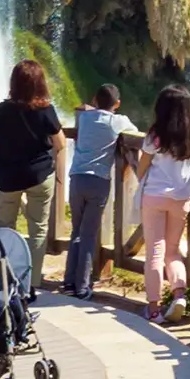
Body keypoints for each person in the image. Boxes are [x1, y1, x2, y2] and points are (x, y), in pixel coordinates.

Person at [134, 87, 190, 320]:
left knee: (154, 252)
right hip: (181, 198)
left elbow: (143, 164)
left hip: (154, 195)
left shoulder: (156, 134)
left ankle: (154, 309)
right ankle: (179, 295)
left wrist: (140, 179)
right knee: (172, 251)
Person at [60, 82, 131, 299]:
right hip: (98, 181)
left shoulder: (85, 118)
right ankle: (82, 287)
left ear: (94, 100)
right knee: (89, 234)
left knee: (76, 231)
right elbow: (134, 131)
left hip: (77, 178)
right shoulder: (117, 121)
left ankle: (69, 282)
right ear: (117, 104)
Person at [0, 59, 62, 247]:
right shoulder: (45, 110)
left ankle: (7, 274)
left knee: (5, 227)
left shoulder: (1, 110)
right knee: (38, 229)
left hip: (9, 177)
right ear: (40, 83)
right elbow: (60, 143)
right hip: (39, 174)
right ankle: (32, 277)